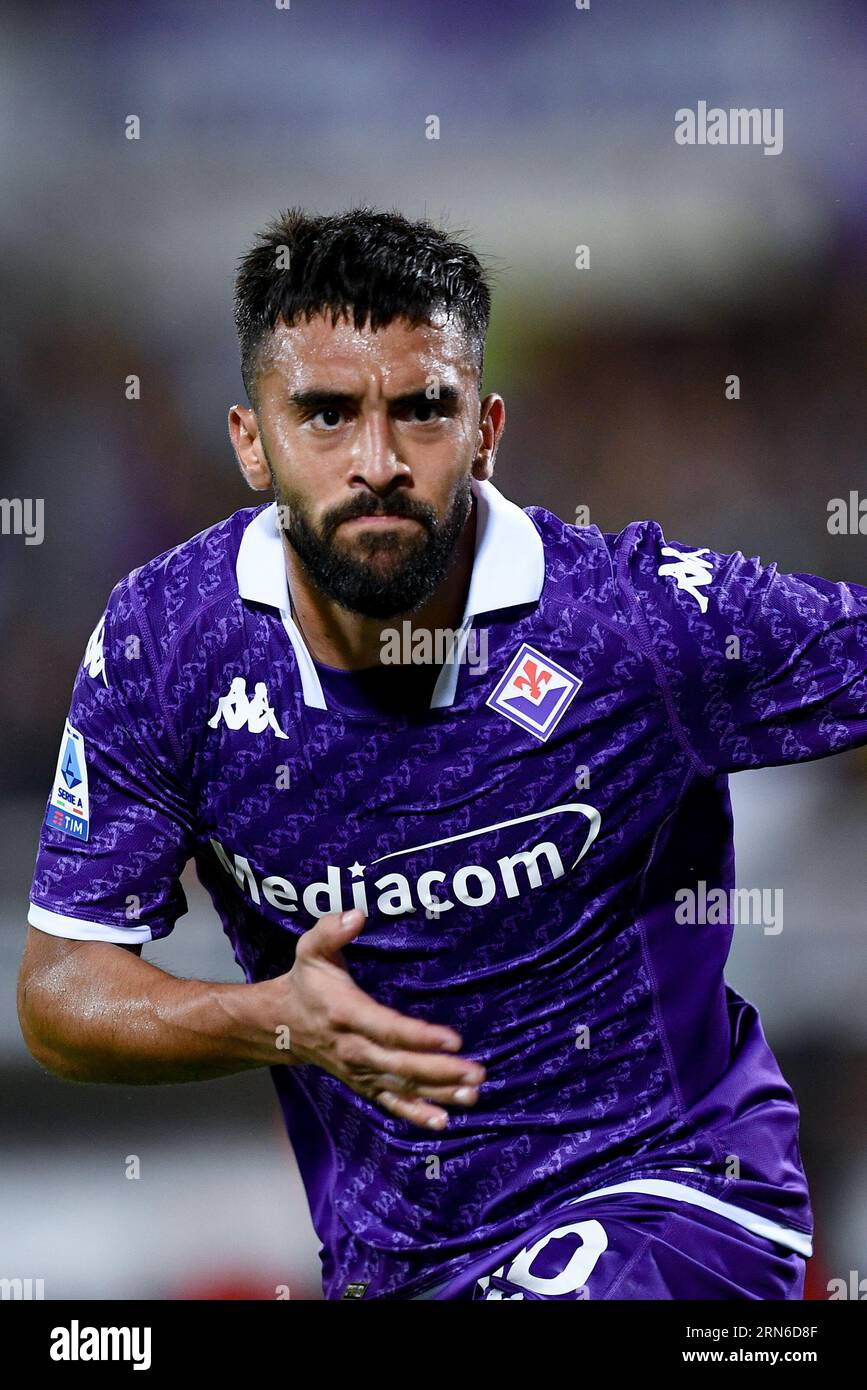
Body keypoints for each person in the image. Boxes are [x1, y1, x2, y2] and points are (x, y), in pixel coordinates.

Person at [18, 208, 867, 1300]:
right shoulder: (167, 644)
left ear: (484, 428)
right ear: (249, 438)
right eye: (325, 413)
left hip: (676, 1198)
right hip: (399, 1265)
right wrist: (269, 1016)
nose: (377, 462)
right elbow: (60, 990)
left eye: (421, 410)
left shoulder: (628, 623)